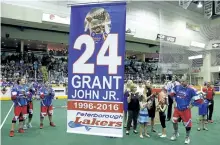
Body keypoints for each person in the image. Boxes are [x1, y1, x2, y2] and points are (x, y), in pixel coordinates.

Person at [170, 79, 202, 144]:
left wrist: (192, 105)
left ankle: (187, 137)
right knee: (174, 121)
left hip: (186, 110)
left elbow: (199, 99)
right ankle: (176, 133)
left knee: (187, 125)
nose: (182, 82)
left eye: (184, 81)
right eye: (181, 81)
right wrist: (174, 101)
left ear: (187, 81)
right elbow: (172, 94)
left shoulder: (191, 90)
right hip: (177, 109)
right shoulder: (177, 87)